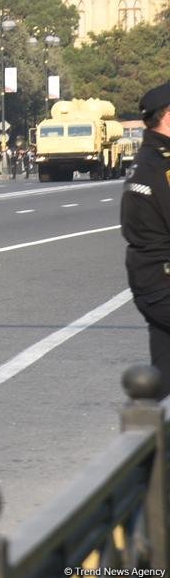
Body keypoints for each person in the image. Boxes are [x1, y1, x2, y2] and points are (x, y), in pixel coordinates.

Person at [122, 82, 170, 397]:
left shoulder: (148, 159)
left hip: (152, 283)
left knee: (164, 369)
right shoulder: (162, 166)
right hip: (163, 282)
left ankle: (157, 439)